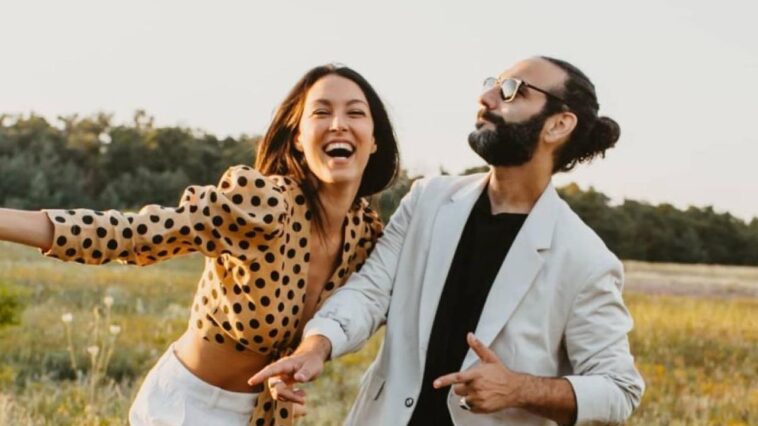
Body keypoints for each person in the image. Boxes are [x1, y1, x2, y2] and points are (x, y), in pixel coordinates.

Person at [250, 56, 645, 425]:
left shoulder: (586, 258)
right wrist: (315, 347)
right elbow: (370, 292)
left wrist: (519, 389)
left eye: (513, 91)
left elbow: (620, 390)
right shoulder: (428, 200)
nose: (486, 97)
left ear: (558, 124)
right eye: (492, 84)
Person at [0, 64, 399, 426]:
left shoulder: (365, 238)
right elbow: (131, 232)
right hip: (185, 407)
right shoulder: (263, 204)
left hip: (262, 416)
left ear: (374, 141)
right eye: (321, 112)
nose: (338, 124)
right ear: (297, 138)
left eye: (355, 113)